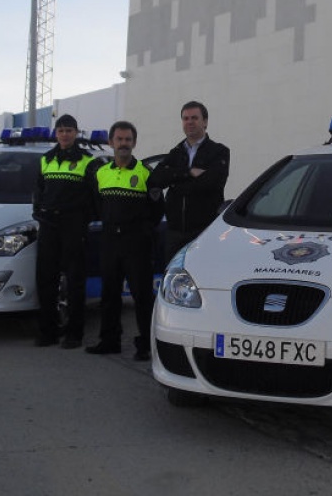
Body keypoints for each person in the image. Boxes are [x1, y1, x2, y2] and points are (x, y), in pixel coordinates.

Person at [87, 120, 164, 362]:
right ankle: (109, 341)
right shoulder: (101, 173)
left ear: (134, 143)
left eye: (128, 140)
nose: (123, 144)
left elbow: (157, 208)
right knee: (109, 294)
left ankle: (146, 345)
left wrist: (142, 231)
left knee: (142, 295)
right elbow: (97, 205)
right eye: (119, 139)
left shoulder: (145, 173)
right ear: (111, 142)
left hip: (136, 242)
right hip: (110, 239)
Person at [31, 114, 102, 348]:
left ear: (76, 133)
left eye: (69, 130)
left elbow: (96, 197)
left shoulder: (87, 160)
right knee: (46, 280)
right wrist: (39, 213)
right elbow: (38, 193)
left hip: (73, 227)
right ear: (56, 133)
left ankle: (74, 334)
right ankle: (48, 332)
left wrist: (83, 219)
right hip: (49, 226)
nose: (65, 134)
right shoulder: (46, 160)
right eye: (61, 130)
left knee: (75, 282)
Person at [147, 100, 230, 262]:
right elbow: (155, 179)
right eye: (185, 119)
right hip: (175, 232)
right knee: (172, 278)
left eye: (194, 118)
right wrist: (189, 172)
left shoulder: (219, 151)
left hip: (204, 231)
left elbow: (212, 183)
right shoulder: (176, 152)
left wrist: (174, 180)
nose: (189, 122)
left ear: (205, 122)